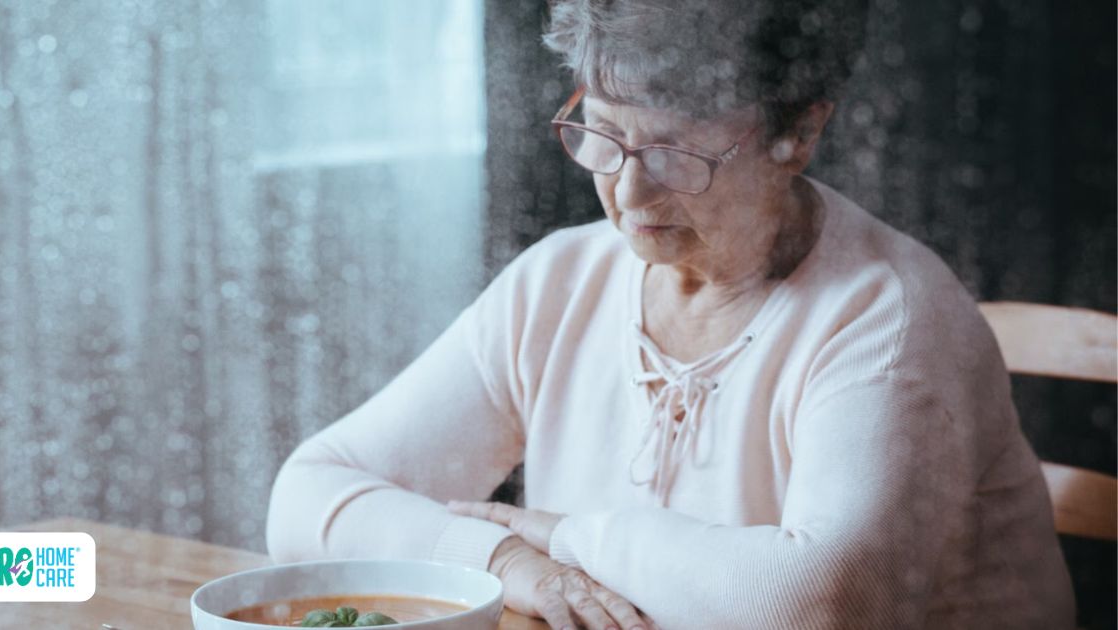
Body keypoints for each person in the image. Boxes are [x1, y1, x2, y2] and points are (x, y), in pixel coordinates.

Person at [266, 1, 1074, 628]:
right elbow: (309, 496)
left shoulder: (887, 322)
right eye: (604, 136)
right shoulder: (562, 281)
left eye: (675, 153)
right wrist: (509, 557)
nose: (626, 191)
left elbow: (825, 606)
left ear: (800, 130)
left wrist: (572, 536)